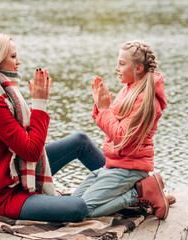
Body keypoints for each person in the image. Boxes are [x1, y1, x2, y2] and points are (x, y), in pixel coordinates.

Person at [0, 32, 107, 222]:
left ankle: (130, 184)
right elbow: (31, 151)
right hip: (2, 195)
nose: (18, 62)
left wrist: (37, 106)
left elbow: (27, 143)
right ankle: (130, 193)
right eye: (13, 56)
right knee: (78, 208)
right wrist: (39, 104)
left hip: (17, 173)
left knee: (80, 141)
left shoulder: (5, 95)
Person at [71, 40, 170, 220]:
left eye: (122, 64)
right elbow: (112, 124)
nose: (117, 68)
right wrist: (100, 105)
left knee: (82, 211)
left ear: (139, 68)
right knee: (71, 205)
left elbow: (121, 137)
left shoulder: (145, 100)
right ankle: (144, 193)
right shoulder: (128, 90)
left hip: (129, 169)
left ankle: (139, 195)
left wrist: (103, 110)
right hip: (113, 165)